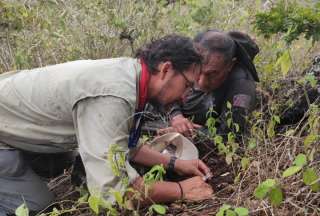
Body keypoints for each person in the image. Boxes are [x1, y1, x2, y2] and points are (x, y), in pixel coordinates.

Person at [0, 35, 213, 215]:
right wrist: (180, 190)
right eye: (187, 85)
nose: (186, 97)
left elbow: (123, 144)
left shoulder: (131, 75)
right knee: (36, 205)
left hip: (13, 122)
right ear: (166, 69)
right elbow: (113, 193)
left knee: (66, 160)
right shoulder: (113, 96)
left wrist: (173, 163)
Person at [154, 30, 259, 139]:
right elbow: (166, 93)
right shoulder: (191, 62)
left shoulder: (242, 86)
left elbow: (230, 137)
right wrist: (176, 116)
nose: (201, 82)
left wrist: (186, 132)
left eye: (212, 74)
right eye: (199, 71)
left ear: (230, 65)